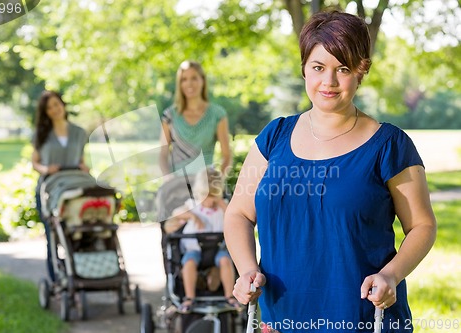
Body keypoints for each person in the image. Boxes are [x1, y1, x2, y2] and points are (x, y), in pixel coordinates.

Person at [224, 11, 436, 333]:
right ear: (304, 69)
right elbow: (238, 213)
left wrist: (391, 274)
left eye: (343, 69)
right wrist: (247, 270)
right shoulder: (275, 137)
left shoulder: (390, 145)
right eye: (318, 67)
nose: (329, 82)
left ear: (361, 70)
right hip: (282, 320)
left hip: (362, 320)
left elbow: (422, 225)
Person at [164, 168, 240, 314]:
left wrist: (220, 201)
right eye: (208, 197)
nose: (210, 201)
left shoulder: (222, 206)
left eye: (214, 196)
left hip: (218, 249)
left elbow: (232, 213)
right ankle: (189, 297)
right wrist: (193, 217)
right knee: (189, 263)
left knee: (226, 261)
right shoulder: (192, 204)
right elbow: (175, 213)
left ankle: (229, 295)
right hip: (194, 249)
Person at [32, 90, 89, 281]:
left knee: (79, 232)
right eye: (49, 108)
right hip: (50, 188)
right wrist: (46, 169)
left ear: (63, 105)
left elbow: (81, 158)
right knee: (53, 235)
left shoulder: (79, 133)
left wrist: (83, 167)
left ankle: (81, 272)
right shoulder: (42, 135)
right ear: (46, 112)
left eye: (56, 104)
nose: (54, 110)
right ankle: (56, 279)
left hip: (74, 187)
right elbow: (35, 162)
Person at [159, 60, 231, 178]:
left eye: (194, 78)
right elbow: (163, 154)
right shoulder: (169, 115)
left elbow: (227, 156)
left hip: (205, 184)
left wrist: (218, 181)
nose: (189, 84)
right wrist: (168, 179)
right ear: (179, 84)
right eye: (184, 79)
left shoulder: (217, 114)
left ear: (202, 80)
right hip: (177, 184)